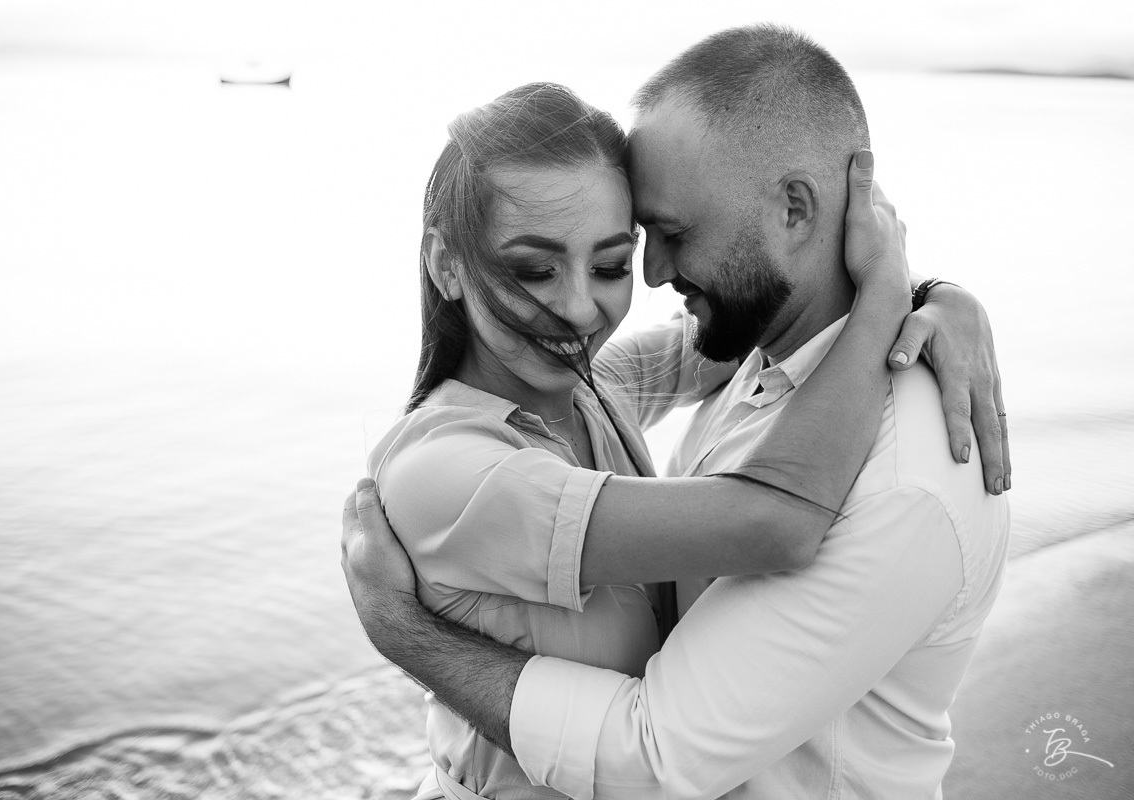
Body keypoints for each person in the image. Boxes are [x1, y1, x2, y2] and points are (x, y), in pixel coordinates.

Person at [344, 25, 1010, 800]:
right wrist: (890, 291)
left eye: (614, 262)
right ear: (446, 265)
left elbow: (732, 336)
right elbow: (774, 516)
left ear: (796, 210)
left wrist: (930, 293)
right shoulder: (448, 468)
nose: (581, 307)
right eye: (532, 270)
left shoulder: (594, 392)